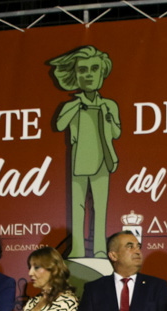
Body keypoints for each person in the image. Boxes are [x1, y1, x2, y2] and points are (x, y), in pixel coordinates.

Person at [49, 46, 121, 259]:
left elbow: (116, 132)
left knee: (100, 208)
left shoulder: (109, 105)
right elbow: (61, 124)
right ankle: (78, 249)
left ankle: (100, 249)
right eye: (83, 70)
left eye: (94, 68)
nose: (89, 74)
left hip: (102, 161)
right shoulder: (72, 106)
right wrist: (76, 105)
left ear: (102, 72)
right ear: (76, 75)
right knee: (78, 208)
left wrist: (108, 118)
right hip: (79, 162)